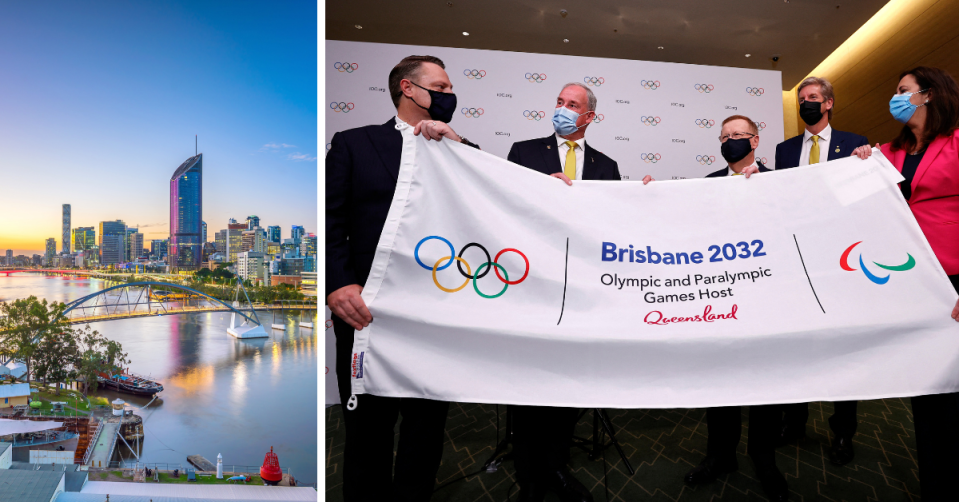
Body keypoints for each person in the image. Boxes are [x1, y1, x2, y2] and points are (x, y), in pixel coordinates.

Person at [326, 54, 479, 502]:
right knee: (367, 432)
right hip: (365, 311)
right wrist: (338, 283)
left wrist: (455, 144)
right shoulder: (355, 143)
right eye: (442, 87)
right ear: (408, 89)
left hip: (436, 314)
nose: (450, 96)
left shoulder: (461, 150)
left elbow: (493, 208)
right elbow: (332, 219)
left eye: (451, 89)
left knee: (426, 431)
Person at [649, 115, 784, 501]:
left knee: (765, 386)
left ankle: (764, 459)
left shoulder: (780, 181)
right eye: (724, 137)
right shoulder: (707, 185)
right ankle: (720, 456)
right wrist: (649, 197)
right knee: (720, 380)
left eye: (737, 136)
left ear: (755, 141)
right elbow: (683, 229)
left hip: (764, 301)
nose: (729, 142)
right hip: (719, 300)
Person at [506, 82, 620, 502]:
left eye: (573, 105)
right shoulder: (524, 152)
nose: (563, 109)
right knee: (527, 383)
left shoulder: (607, 165)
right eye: (559, 102)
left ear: (589, 116)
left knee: (568, 383)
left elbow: (613, 226)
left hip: (580, 292)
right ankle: (528, 478)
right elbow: (503, 210)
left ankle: (556, 467)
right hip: (530, 286)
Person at [852, 65, 959, 501]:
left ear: (928, 94)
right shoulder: (884, 153)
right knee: (928, 394)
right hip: (911, 284)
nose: (896, 98)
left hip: (954, 281)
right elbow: (837, 198)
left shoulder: (957, 143)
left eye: (903, 91)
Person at [772, 76, 870, 465]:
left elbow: (862, 199)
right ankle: (794, 421)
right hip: (796, 260)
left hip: (840, 261)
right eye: (802, 99)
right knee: (798, 344)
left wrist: (868, 164)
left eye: (813, 98)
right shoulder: (784, 150)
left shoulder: (854, 143)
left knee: (843, 348)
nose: (806, 104)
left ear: (829, 103)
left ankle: (843, 432)